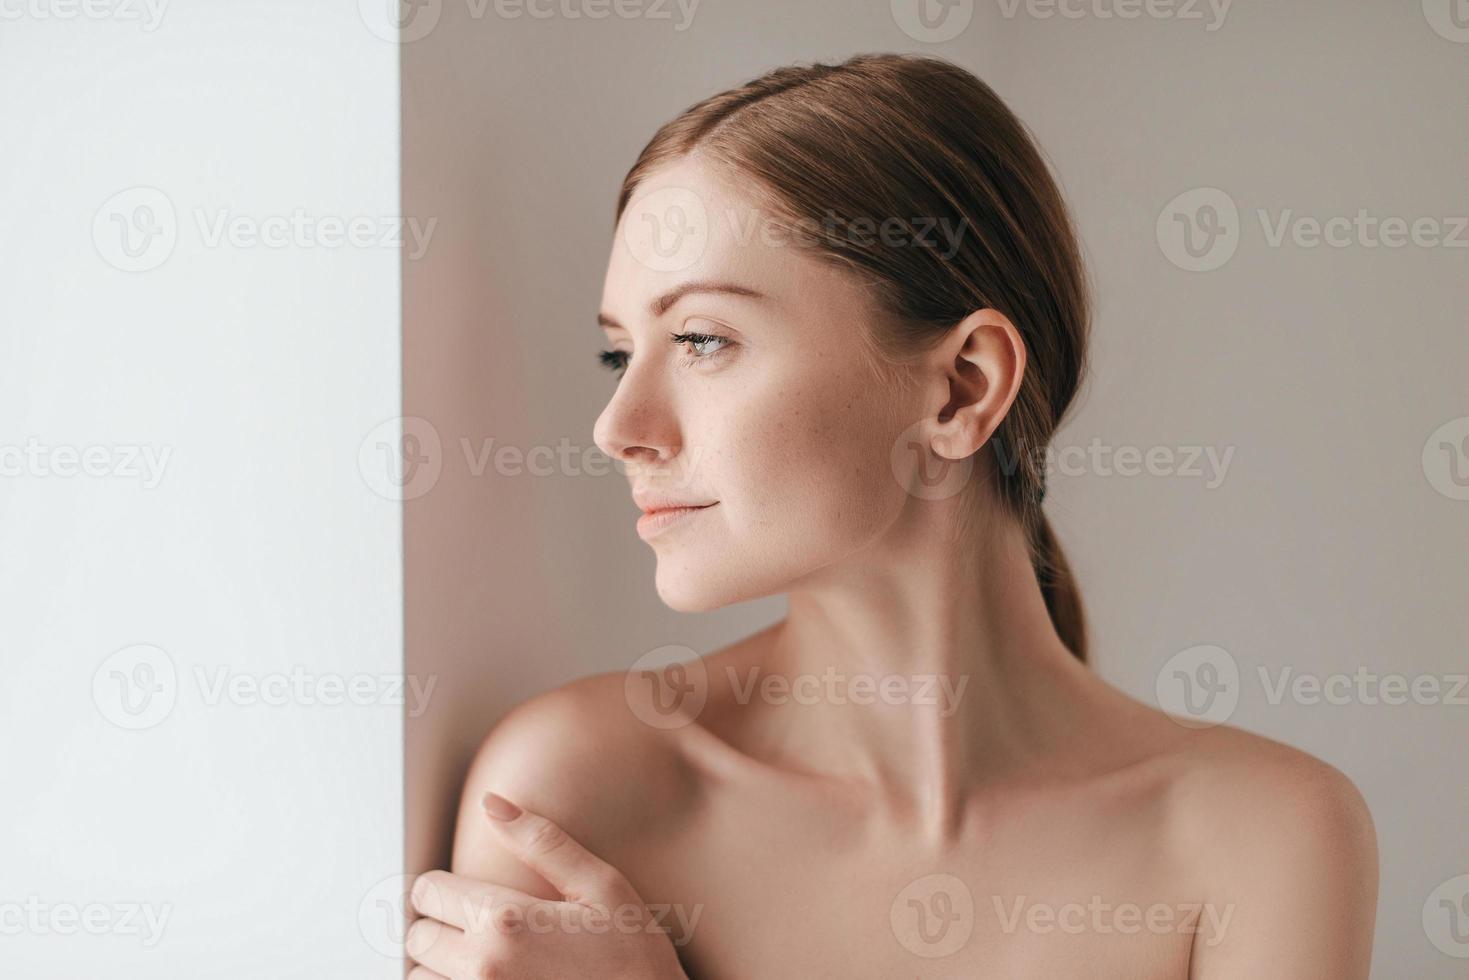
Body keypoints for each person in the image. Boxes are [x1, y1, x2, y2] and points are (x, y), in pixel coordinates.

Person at [405, 53, 1378, 979]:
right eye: (621, 353)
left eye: (701, 339)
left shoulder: (1263, 834)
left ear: (960, 387)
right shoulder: (570, 793)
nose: (619, 426)